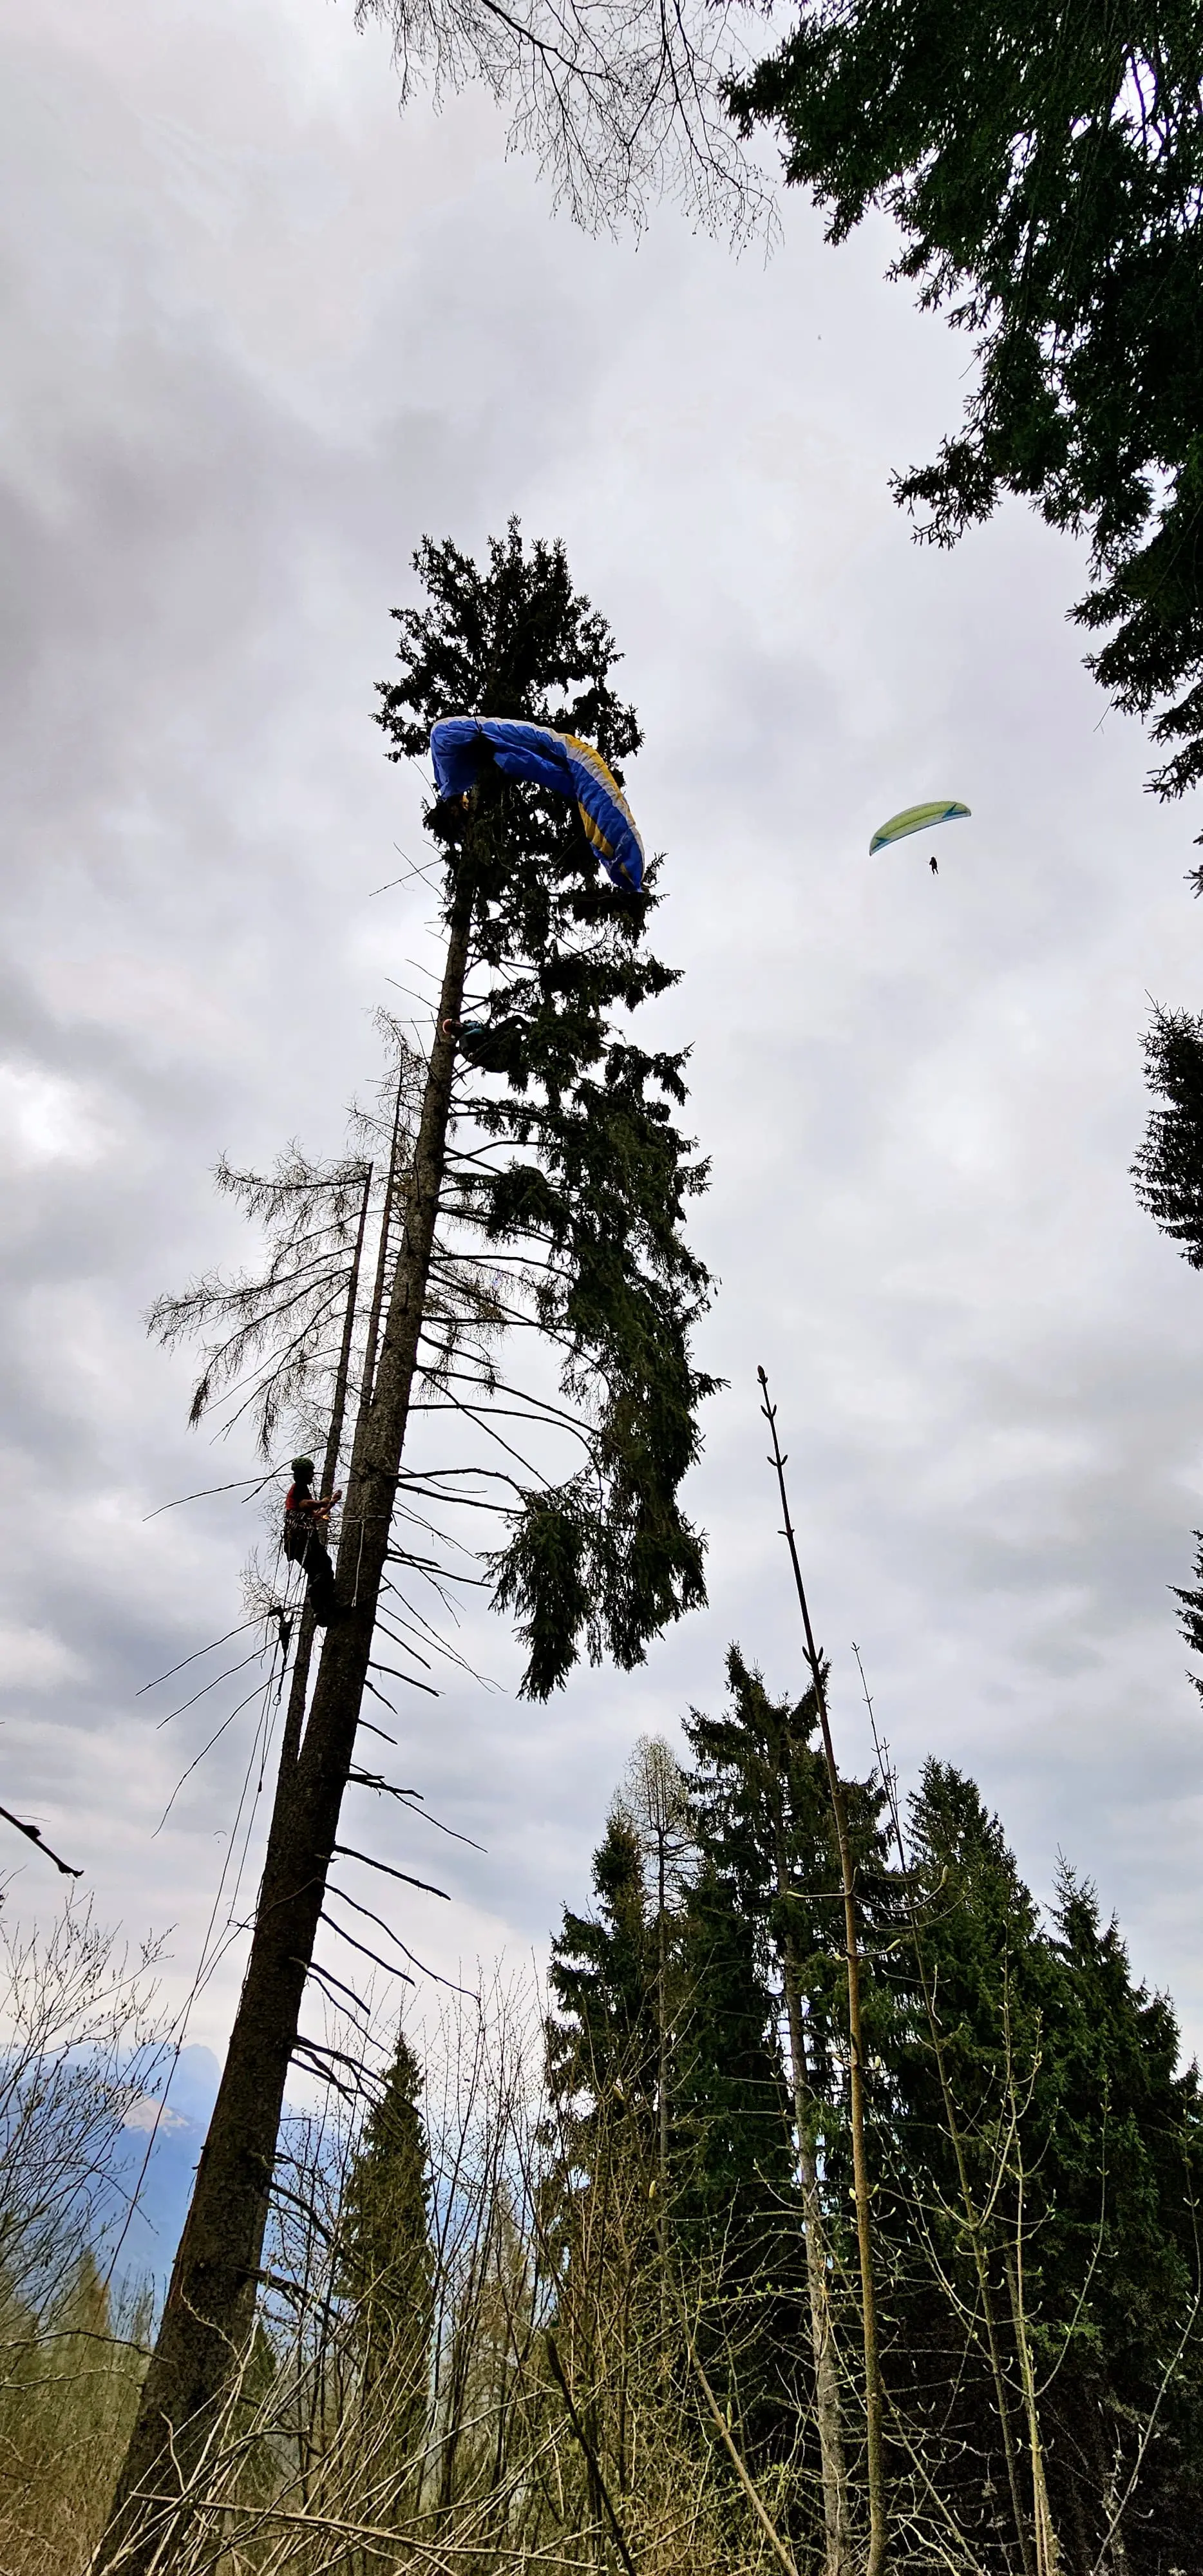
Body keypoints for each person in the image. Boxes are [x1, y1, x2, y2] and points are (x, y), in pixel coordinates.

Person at [283, 1456, 342, 1624]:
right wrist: (322, 1501)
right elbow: (305, 1505)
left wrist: (331, 1503)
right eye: (310, 1472)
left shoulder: (301, 1490)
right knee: (323, 1569)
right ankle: (320, 1602)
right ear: (303, 1474)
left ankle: (322, 1610)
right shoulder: (299, 1489)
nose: (313, 1475)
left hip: (297, 1542)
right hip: (302, 1539)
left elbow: (317, 1515)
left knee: (319, 1572)